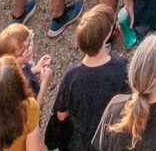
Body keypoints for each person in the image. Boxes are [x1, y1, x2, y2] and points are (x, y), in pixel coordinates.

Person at [48, 9, 131, 151]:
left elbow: (61, 115)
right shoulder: (122, 66)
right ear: (105, 38)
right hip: (113, 140)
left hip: (82, 143)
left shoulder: (72, 75)